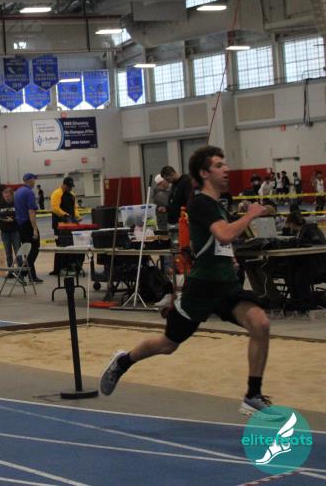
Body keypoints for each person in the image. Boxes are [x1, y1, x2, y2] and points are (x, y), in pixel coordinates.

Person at [100, 146, 276, 415]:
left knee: (260, 324)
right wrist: (251, 213)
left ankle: (252, 395)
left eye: (225, 164)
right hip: (202, 287)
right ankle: (123, 361)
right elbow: (224, 234)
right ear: (204, 173)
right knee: (168, 344)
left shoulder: (217, 204)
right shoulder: (200, 203)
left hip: (226, 285)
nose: (226, 169)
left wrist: (228, 257)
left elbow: (217, 241)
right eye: (218, 165)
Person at [14, 173, 42, 283]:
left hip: (20, 225)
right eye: (34, 179)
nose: (35, 181)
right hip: (28, 224)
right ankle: (22, 272)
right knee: (35, 248)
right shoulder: (29, 193)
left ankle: (32, 276)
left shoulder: (18, 192)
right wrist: (34, 228)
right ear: (30, 180)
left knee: (28, 251)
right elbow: (31, 211)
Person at [0, 186, 20, 271]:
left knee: (18, 252)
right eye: (5, 196)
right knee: (8, 253)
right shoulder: (0, 204)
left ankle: (20, 271)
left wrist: (13, 219)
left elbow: (21, 215)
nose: (6, 198)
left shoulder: (17, 203)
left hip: (15, 231)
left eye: (8, 196)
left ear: (12, 195)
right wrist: (4, 220)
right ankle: (10, 271)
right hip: (4, 232)